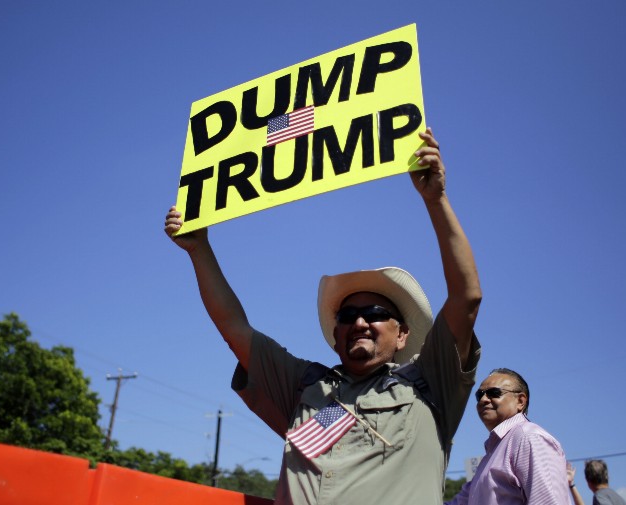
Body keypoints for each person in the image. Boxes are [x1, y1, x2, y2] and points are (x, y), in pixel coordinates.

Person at [164, 128, 482, 505]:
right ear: (336, 331)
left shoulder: (431, 385)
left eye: (376, 313)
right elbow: (234, 328)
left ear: (403, 335)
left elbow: (467, 297)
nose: (360, 322)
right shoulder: (304, 386)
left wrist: (436, 200)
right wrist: (198, 250)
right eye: (348, 314)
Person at [445, 368, 570, 504]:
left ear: (520, 401)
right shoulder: (492, 453)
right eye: (479, 395)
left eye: (494, 393)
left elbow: (548, 501)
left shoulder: (529, 438)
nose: (483, 400)